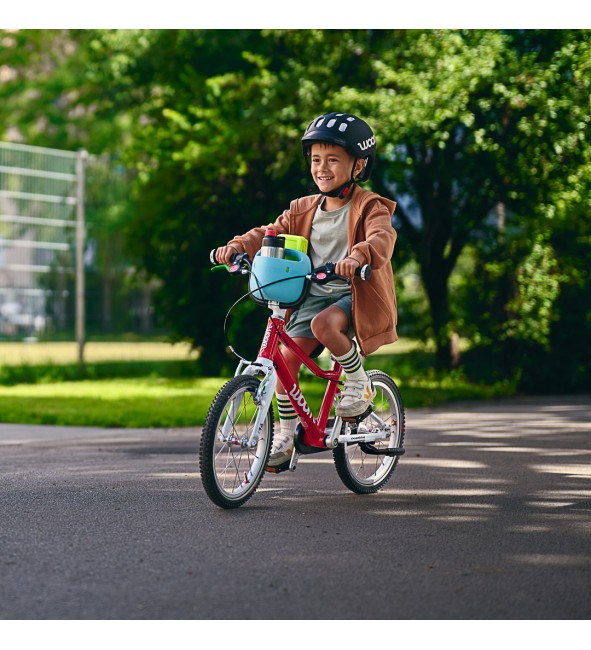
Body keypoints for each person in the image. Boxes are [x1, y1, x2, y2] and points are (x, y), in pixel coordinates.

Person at [215, 111, 398, 467]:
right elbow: (269, 233)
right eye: (316, 159)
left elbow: (382, 236)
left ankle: (359, 384)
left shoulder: (369, 205)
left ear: (358, 166)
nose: (322, 167)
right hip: (311, 294)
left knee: (324, 326)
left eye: (333, 159)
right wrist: (237, 247)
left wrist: (359, 254)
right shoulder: (303, 208)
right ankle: (285, 436)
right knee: (284, 359)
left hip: (352, 293)